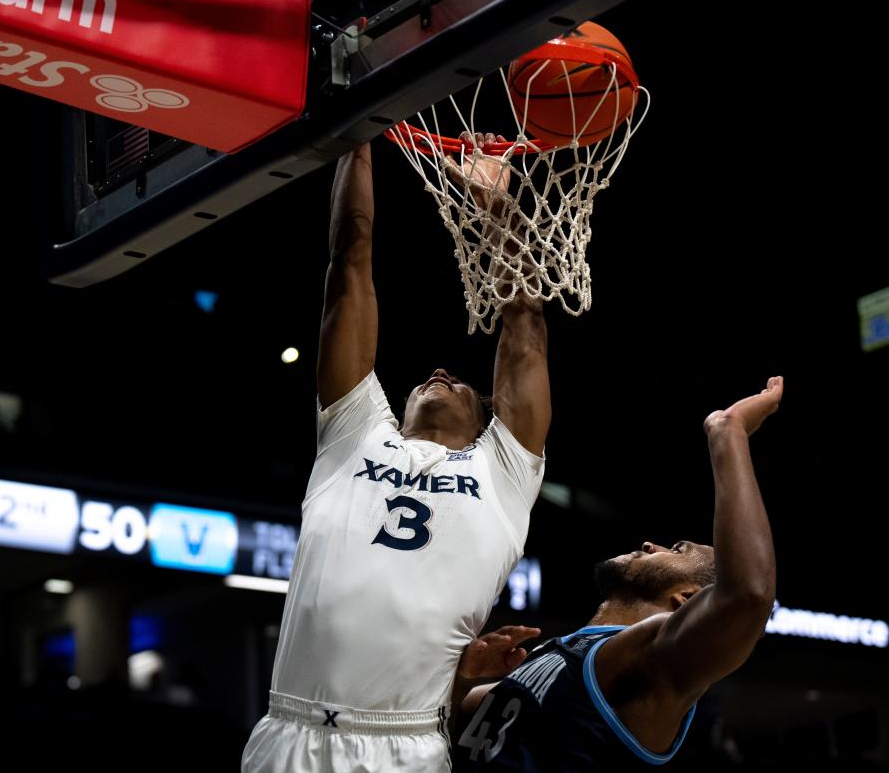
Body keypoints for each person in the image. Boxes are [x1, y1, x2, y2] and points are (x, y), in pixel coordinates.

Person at [242, 135, 550, 772]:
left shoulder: (502, 472)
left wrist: (498, 209)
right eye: (426, 377)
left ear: (488, 417)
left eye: (460, 381)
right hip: (288, 729)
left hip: (401, 745)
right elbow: (348, 261)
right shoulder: (356, 433)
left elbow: (524, 333)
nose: (439, 371)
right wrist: (357, 135)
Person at [450, 377, 783, 772]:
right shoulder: (561, 653)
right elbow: (450, 717)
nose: (649, 545)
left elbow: (748, 594)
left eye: (677, 551)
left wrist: (728, 432)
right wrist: (459, 677)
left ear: (688, 600)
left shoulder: (650, 659)